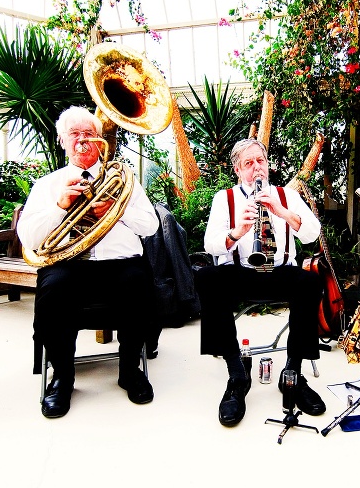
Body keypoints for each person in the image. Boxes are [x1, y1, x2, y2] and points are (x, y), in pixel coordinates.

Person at [17, 107, 160, 418]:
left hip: (121, 263)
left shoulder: (124, 182)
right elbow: (28, 236)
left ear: (100, 141)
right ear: (62, 141)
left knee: (139, 283)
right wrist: (60, 206)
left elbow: (151, 226)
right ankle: (62, 379)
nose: (82, 140)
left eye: (88, 134)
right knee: (53, 289)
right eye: (74, 134)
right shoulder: (47, 185)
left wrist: (117, 210)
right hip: (71, 264)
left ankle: (129, 370)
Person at [195, 137, 326, 427]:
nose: (257, 169)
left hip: (280, 272)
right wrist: (237, 231)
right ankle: (236, 375)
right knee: (207, 278)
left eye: (261, 161)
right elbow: (211, 244)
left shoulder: (287, 195)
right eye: (248, 163)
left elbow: (312, 234)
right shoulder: (224, 198)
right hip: (241, 272)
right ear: (238, 171)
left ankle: (292, 373)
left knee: (309, 283)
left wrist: (281, 211)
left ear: (268, 165)